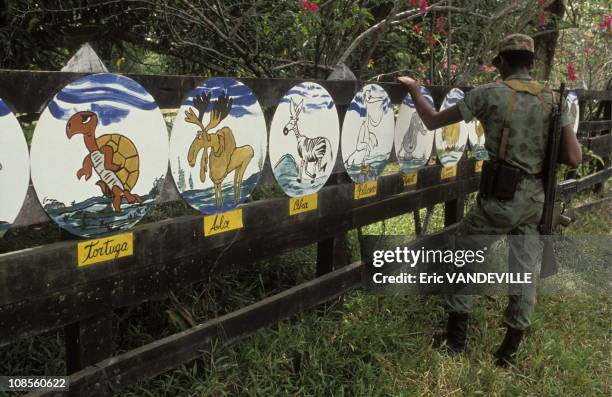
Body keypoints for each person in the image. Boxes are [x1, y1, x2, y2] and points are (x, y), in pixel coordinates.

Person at [397, 33, 582, 367]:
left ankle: (455, 341)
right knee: (523, 271)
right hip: (536, 200)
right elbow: (574, 156)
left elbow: (433, 121)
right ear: (530, 62)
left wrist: (413, 87)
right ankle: (508, 353)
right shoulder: (555, 100)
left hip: (501, 198)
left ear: (502, 62)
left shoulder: (489, 94)